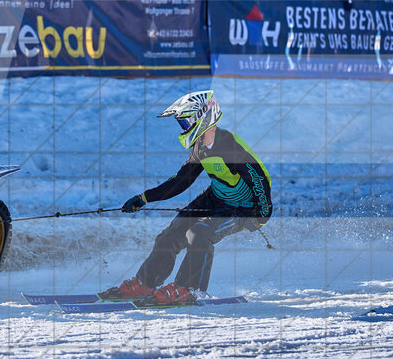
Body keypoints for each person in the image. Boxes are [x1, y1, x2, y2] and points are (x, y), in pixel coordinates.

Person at [99, 90, 272, 305]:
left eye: (185, 122)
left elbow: (260, 180)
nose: (184, 128)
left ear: (203, 116)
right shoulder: (200, 147)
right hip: (217, 196)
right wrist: (144, 198)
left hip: (243, 205)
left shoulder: (230, 147)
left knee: (199, 233)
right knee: (171, 234)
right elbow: (182, 180)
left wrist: (262, 214)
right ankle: (145, 283)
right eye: (182, 124)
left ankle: (189, 289)